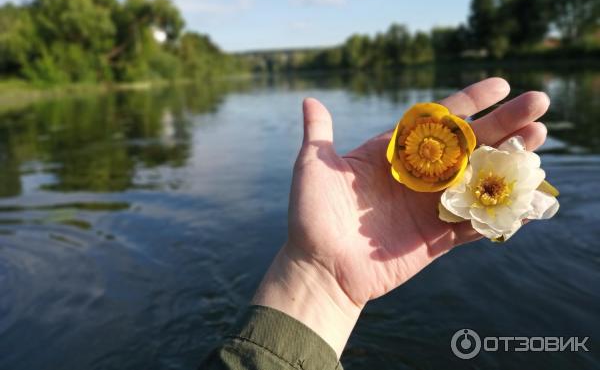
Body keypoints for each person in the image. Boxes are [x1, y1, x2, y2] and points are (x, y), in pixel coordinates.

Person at [200, 78, 550, 370]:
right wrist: (321, 276)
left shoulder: (468, 164)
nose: (428, 150)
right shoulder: (405, 158)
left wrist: (320, 282)